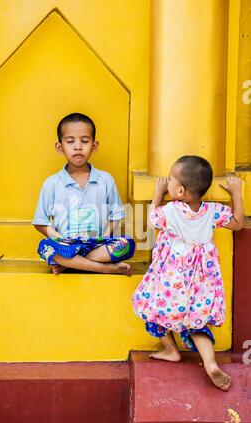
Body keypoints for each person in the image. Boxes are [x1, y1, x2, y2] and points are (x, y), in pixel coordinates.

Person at [132, 155, 244, 391]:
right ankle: (210, 362)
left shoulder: (170, 211)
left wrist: (158, 193)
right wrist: (235, 193)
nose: (168, 182)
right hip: (201, 281)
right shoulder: (213, 212)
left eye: (170, 180)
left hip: (171, 282)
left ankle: (171, 350)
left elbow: (152, 221)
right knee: (197, 326)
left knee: (150, 310)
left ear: (180, 190)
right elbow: (237, 223)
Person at [32, 112, 135, 275]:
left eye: (85, 141)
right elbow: (40, 222)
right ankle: (104, 268)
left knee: (126, 244)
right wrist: (59, 239)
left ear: (94, 146)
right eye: (70, 141)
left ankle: (74, 263)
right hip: (66, 245)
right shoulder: (51, 183)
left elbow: (116, 215)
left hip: (97, 244)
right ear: (60, 147)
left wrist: (104, 239)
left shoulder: (105, 179)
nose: (78, 146)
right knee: (46, 248)